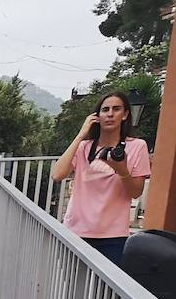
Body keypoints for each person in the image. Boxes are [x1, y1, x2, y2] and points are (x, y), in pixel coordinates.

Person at [51, 90, 152, 266]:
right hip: (77, 230)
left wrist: (122, 171)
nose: (110, 114)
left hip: (113, 235)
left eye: (116, 109)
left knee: (106, 292)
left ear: (125, 114)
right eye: (105, 110)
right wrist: (81, 135)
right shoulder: (84, 147)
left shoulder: (137, 146)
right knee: (73, 288)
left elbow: (136, 192)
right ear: (97, 116)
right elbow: (57, 174)